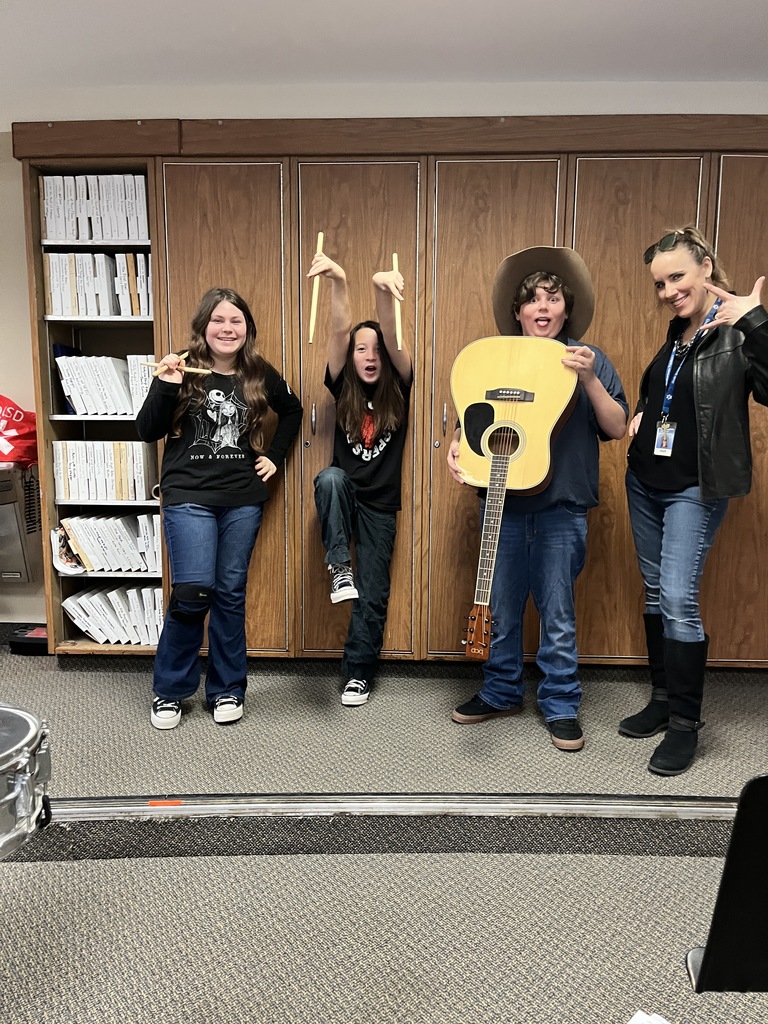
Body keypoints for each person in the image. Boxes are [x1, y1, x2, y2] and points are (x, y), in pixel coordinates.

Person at [448, 246, 628, 751]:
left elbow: (616, 427)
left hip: (561, 507)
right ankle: (501, 690)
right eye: (532, 300)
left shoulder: (590, 360)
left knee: (558, 611)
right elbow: (473, 417)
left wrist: (590, 377)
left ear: (566, 309)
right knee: (502, 607)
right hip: (501, 504)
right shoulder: (495, 359)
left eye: (553, 298)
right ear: (518, 311)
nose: (543, 307)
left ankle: (561, 704)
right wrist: (458, 445)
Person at [621, 226, 768, 775]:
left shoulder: (736, 329)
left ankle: (685, 725)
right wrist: (640, 409)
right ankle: (661, 701)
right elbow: (670, 391)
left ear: (705, 266)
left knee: (679, 598)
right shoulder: (677, 328)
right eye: (660, 283)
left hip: (694, 488)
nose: (668, 291)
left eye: (676, 277)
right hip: (645, 480)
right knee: (657, 591)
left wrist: (755, 319)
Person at [137, 287, 302, 730]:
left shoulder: (257, 372)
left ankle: (228, 689)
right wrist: (165, 386)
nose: (227, 329)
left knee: (229, 595)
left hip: (242, 499)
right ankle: (170, 691)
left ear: (246, 329)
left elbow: (293, 410)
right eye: (218, 321)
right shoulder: (180, 367)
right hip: (188, 496)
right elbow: (145, 430)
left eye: (236, 321)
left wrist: (276, 456)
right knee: (192, 594)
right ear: (203, 327)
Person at [308, 252, 413, 707]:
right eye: (360, 348)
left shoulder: (400, 385)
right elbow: (336, 330)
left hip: (381, 504)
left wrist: (379, 286)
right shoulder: (342, 385)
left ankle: (357, 674)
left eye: (375, 349)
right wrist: (340, 281)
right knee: (330, 476)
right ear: (351, 357)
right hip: (345, 495)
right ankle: (338, 567)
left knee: (372, 593)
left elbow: (391, 332)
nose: (370, 355)